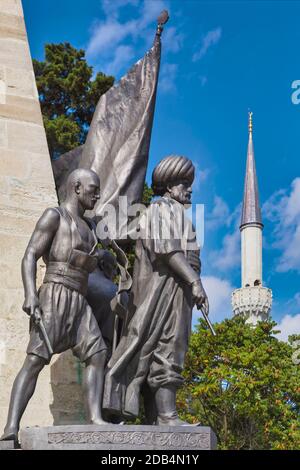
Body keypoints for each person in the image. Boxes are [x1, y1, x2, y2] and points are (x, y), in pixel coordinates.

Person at [1, 168, 109, 443]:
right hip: (54, 294)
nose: (97, 194)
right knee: (35, 360)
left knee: (97, 354)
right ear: (76, 188)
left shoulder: (91, 227)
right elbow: (30, 254)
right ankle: (10, 427)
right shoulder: (55, 216)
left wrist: (102, 257)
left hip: (79, 301)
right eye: (92, 189)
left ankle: (95, 417)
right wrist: (30, 295)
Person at [103, 155, 209, 425]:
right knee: (167, 346)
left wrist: (192, 282)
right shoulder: (161, 210)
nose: (190, 189)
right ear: (170, 187)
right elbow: (169, 251)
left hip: (177, 290)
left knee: (171, 347)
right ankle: (166, 416)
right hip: (163, 291)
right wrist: (194, 282)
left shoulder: (178, 213)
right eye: (184, 183)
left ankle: (157, 416)